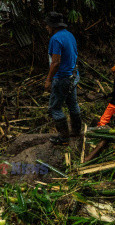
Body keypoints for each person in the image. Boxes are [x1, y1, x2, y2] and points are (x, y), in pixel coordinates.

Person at [44, 12, 83, 145]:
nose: (46, 28)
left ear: (53, 26)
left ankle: (64, 138)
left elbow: (55, 62)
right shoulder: (69, 35)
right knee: (73, 103)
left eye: (47, 25)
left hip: (62, 78)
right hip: (73, 75)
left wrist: (48, 79)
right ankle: (77, 131)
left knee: (55, 108)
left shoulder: (55, 39)